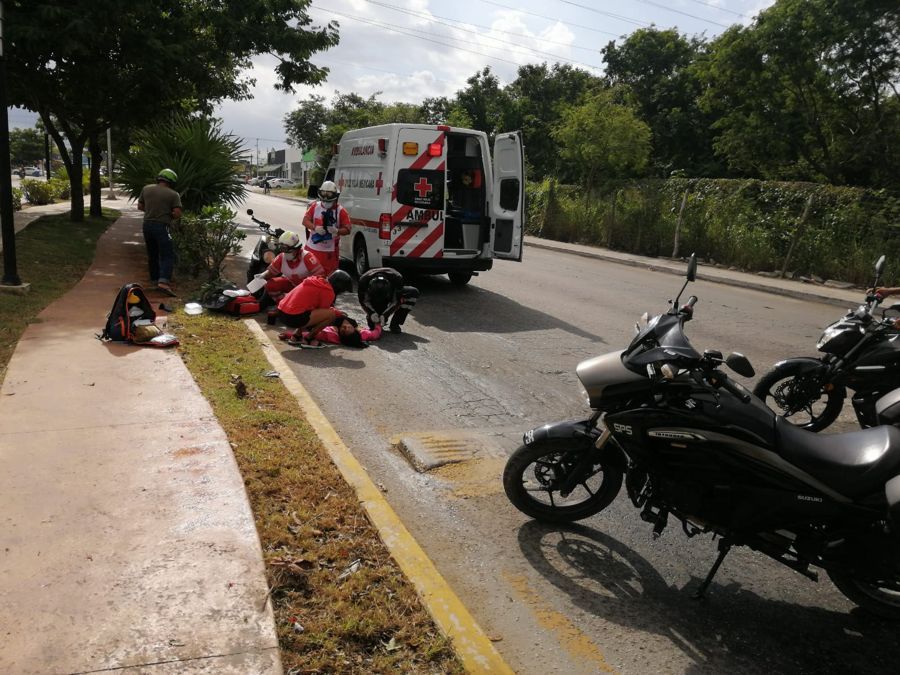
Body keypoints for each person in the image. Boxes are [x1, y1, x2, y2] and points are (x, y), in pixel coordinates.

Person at [277, 269, 354, 346]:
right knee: (331, 315)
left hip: (281, 313)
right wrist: (337, 313)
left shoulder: (315, 281)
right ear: (339, 287)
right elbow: (322, 313)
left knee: (306, 309)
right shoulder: (328, 291)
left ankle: (296, 336)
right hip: (293, 317)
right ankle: (309, 339)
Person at [137, 168, 182, 296]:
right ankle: (163, 282)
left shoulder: (146, 189)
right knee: (167, 254)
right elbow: (177, 213)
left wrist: (152, 212)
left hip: (147, 226)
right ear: (172, 181)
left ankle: (155, 279)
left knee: (152, 253)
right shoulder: (173, 194)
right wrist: (169, 216)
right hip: (162, 226)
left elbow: (140, 206)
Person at [253, 230, 324, 303]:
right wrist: (262, 275)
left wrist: (304, 289)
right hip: (291, 284)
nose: (284, 252)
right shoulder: (281, 258)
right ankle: (282, 303)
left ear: (296, 248)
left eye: (285, 248)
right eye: (281, 248)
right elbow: (271, 272)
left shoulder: (308, 258)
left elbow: (320, 278)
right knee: (271, 284)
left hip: (306, 288)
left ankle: (294, 302)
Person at [302, 180, 350, 275]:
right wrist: (315, 227)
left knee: (327, 276)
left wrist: (337, 231)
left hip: (330, 251)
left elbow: (347, 229)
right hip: (312, 247)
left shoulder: (341, 211)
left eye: (329, 200)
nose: (326, 203)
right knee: (308, 275)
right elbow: (305, 221)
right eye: (323, 200)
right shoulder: (315, 206)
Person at [357, 266, 419, 334]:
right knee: (372, 325)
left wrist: (385, 315)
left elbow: (397, 302)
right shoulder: (363, 281)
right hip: (373, 299)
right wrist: (371, 313)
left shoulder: (397, 279)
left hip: (391, 293)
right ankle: (373, 317)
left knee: (413, 292)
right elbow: (363, 303)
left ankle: (395, 323)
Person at [299, 315, 382, 349]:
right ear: (356, 330)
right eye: (349, 328)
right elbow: (375, 334)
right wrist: (378, 324)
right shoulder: (362, 334)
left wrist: (289, 334)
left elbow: (307, 334)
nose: (345, 327)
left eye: (343, 330)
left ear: (340, 335)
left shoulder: (330, 334)